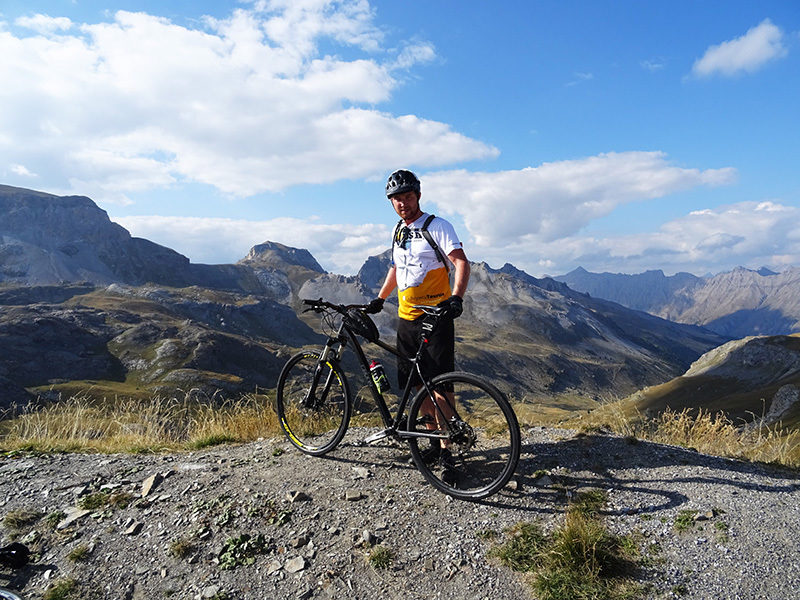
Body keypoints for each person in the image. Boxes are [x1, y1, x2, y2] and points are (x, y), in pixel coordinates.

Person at [366, 169, 470, 483]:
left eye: (407, 197)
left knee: (441, 386)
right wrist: (381, 298)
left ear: (418, 196)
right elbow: (398, 267)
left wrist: (456, 298)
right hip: (406, 318)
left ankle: (450, 451)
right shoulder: (399, 230)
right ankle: (435, 444)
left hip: (435, 318)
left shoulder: (437, 226)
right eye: (396, 199)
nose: (402, 203)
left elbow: (461, 262)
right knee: (415, 386)